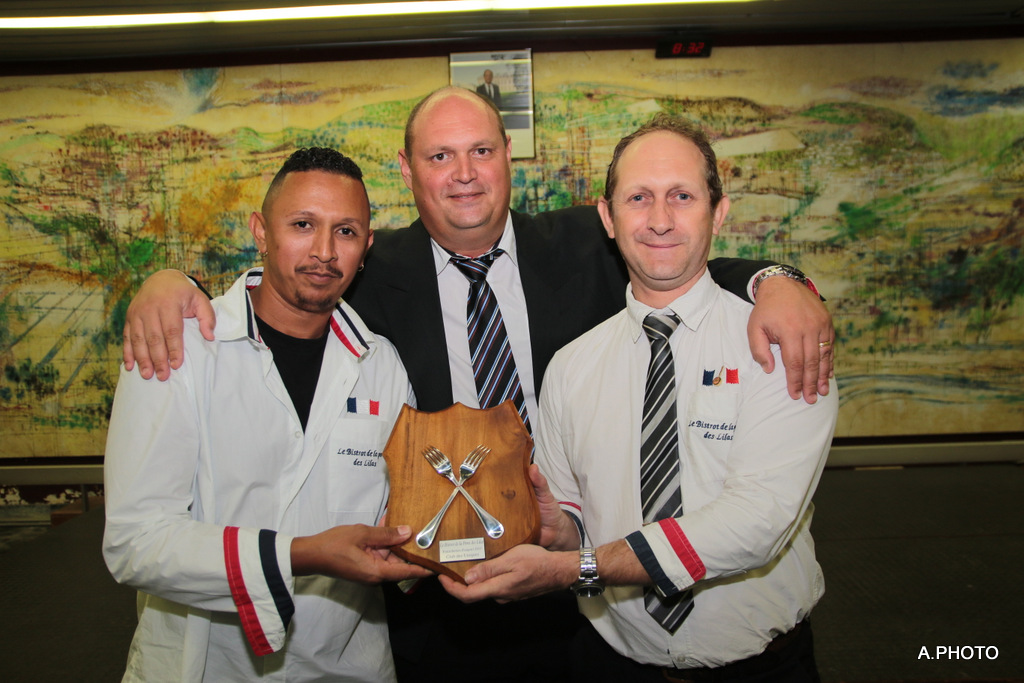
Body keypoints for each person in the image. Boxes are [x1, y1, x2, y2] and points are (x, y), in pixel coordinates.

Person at [120, 88, 834, 682]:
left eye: (482, 151)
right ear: (408, 171)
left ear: (508, 157)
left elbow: (680, 256)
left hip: (578, 615)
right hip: (436, 618)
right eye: (440, 156)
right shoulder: (365, 274)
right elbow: (287, 279)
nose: (464, 173)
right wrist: (172, 284)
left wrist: (780, 281)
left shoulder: (586, 245)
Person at [442, 114, 839, 682]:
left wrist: (574, 569)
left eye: (682, 196)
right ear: (608, 217)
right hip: (612, 665)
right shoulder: (572, 367)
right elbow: (577, 518)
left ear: (718, 212)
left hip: (761, 669)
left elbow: (756, 524)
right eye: (638, 198)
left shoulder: (782, 342)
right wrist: (556, 530)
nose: (659, 220)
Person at [102, 148, 432, 682]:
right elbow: (134, 542)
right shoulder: (179, 347)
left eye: (345, 232)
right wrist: (301, 555)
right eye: (302, 225)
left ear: (366, 247)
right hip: (205, 666)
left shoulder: (381, 365)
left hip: (346, 665)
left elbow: (402, 518)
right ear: (260, 231)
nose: (324, 251)